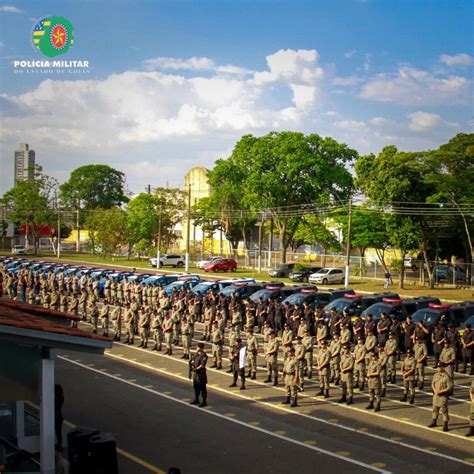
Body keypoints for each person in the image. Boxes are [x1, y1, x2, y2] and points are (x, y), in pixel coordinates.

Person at [428, 363, 452, 432]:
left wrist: (441, 391)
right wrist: (435, 390)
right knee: (435, 409)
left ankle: (445, 424)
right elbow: (432, 383)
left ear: (443, 368)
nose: (438, 368)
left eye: (439, 367)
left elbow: (449, 387)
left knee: (444, 410)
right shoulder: (435, 375)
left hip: (443, 396)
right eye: (438, 367)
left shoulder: (447, 377)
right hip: (436, 395)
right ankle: (434, 421)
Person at [190, 342, 208, 407]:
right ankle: (196, 399)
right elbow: (192, 361)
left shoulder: (204, 355)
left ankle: (204, 401)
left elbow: (202, 365)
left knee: (202, 388)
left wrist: (196, 368)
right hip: (196, 374)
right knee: (196, 387)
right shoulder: (196, 354)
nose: (196, 348)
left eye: (197, 347)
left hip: (201, 374)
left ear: (201, 348)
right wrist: (192, 365)